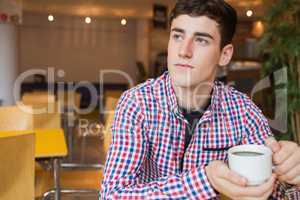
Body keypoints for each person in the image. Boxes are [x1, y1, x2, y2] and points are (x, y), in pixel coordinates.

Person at [100, 0, 300, 199]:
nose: (183, 51)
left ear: (224, 55)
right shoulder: (136, 103)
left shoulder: (243, 111)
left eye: (201, 40)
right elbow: (113, 195)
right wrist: (206, 180)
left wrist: (292, 176)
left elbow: (275, 191)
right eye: (177, 36)